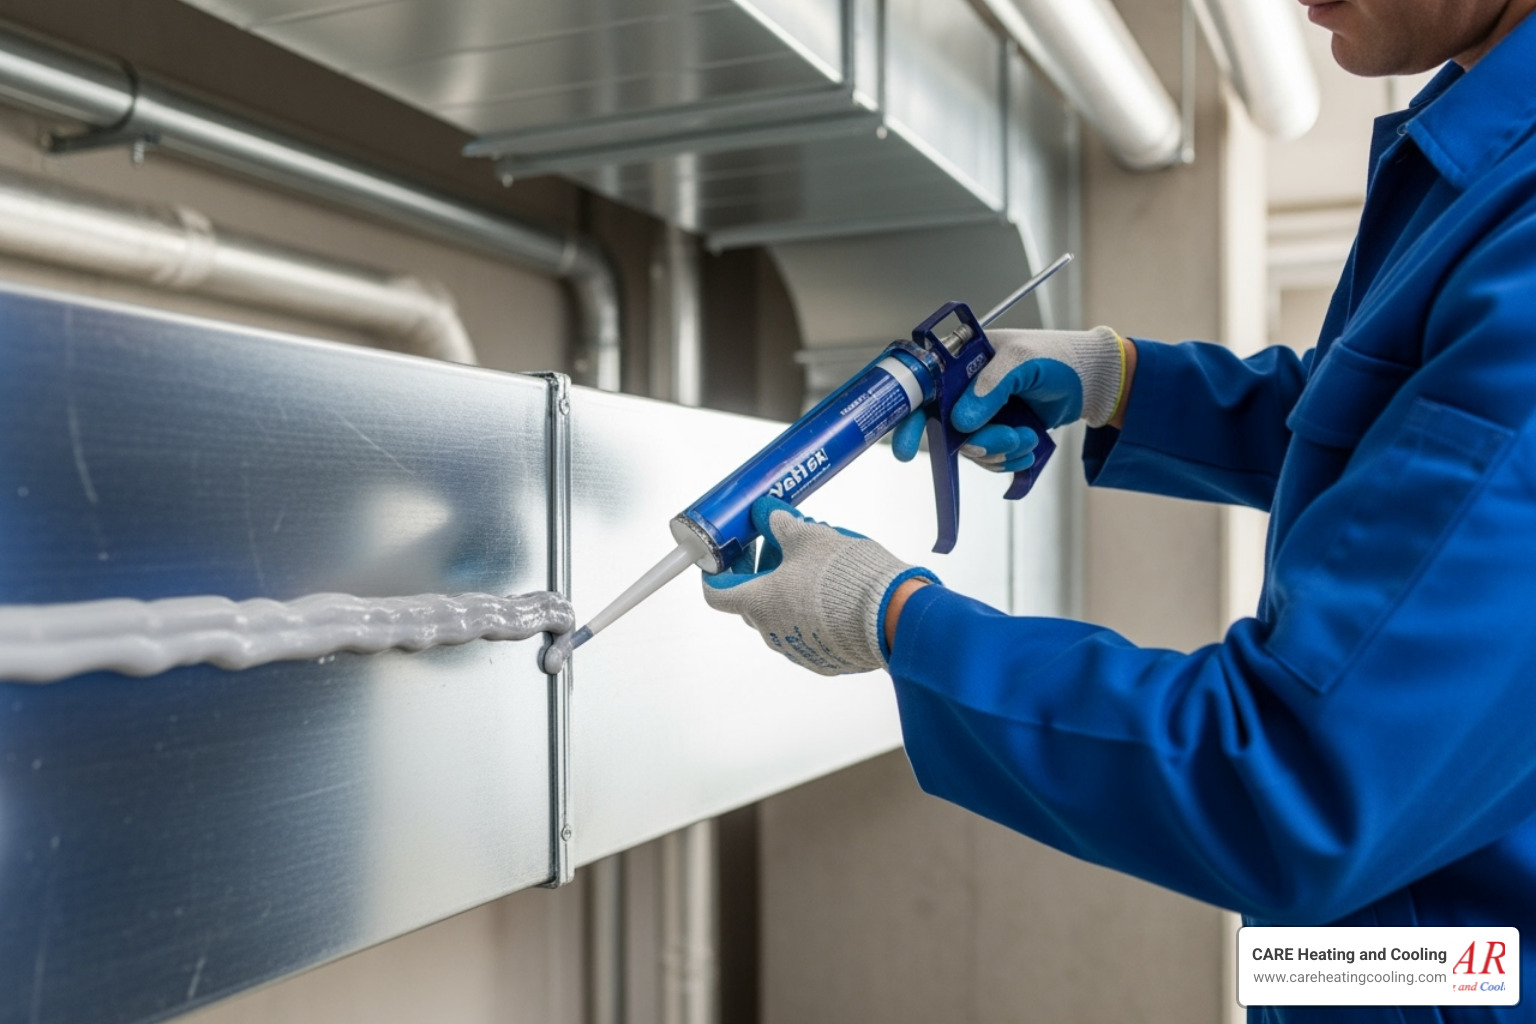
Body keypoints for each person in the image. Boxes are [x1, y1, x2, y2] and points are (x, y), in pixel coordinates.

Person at [702, 1, 1536, 1020]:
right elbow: (1395, 443)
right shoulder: (1481, 146)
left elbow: (1289, 783)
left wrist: (898, 620)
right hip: (1402, 958)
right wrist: (1119, 381)